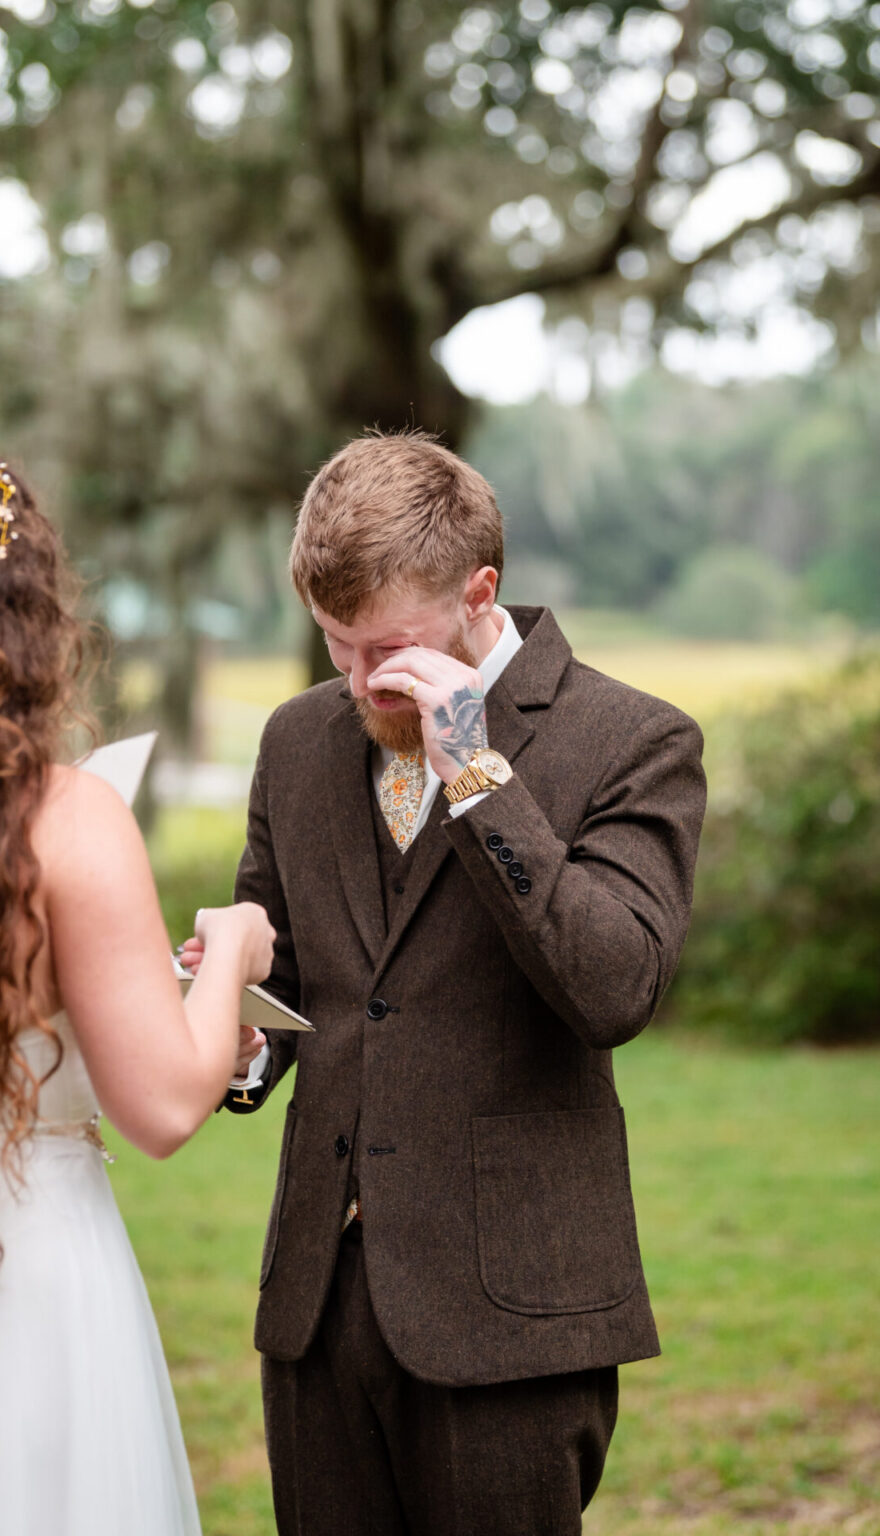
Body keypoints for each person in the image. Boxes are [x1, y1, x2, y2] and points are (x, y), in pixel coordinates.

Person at [184, 430, 707, 1536]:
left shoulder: (634, 740)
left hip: (513, 1313)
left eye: (389, 647)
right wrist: (238, 1038)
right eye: (335, 644)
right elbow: (295, 985)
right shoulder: (295, 743)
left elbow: (613, 985)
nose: (361, 678)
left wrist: (475, 770)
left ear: (482, 591)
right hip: (317, 1305)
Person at [0, 428, 274, 1536]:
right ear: (18, 605)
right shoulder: (66, 821)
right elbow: (166, 1103)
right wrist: (231, 949)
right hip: (27, 1294)